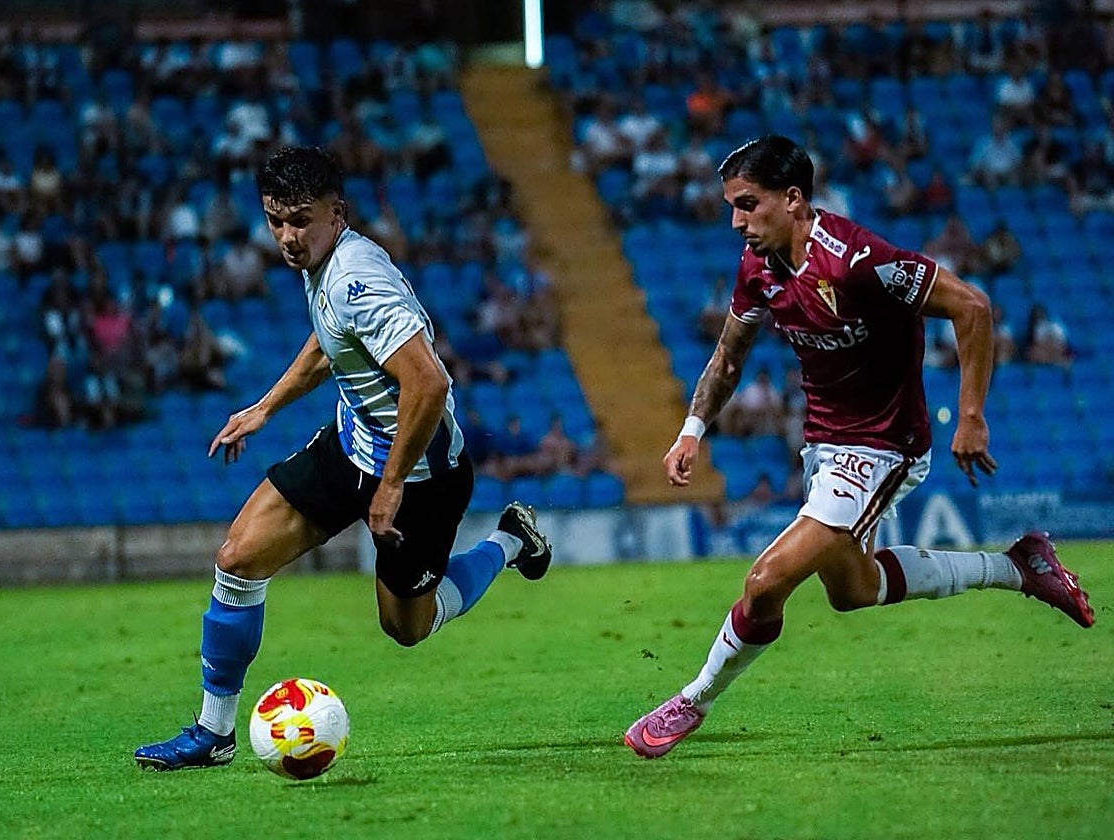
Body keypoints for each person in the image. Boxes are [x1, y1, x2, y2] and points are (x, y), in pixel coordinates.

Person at [624, 135, 1094, 760]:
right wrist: (692, 430)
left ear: (793, 199)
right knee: (853, 590)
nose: (736, 221)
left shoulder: (857, 261)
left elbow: (973, 307)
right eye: (731, 207)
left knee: (765, 582)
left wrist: (971, 416)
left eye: (747, 204)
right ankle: (1019, 566)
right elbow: (729, 357)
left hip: (883, 445)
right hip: (823, 445)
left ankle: (693, 699)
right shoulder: (757, 267)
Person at [134, 146, 553, 771]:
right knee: (238, 559)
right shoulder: (325, 268)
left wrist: (390, 487)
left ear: (338, 213)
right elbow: (328, 343)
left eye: (300, 220)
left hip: (420, 477)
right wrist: (264, 408)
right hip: (351, 446)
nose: (287, 236)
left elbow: (428, 383)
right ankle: (213, 732)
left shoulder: (360, 280)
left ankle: (509, 541)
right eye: (275, 219)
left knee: (407, 627)